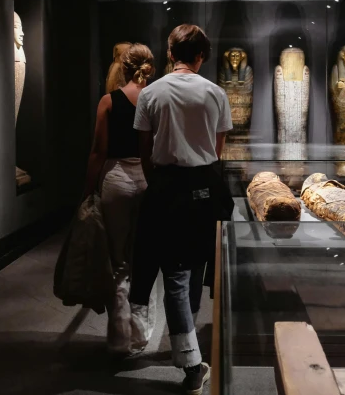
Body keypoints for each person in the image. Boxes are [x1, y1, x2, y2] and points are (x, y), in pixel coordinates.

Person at [130, 24, 234, 395]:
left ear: (171, 53)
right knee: (189, 269)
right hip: (204, 184)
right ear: (201, 55)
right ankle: (190, 360)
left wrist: (158, 183)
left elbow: (144, 151)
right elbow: (218, 149)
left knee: (178, 271)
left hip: (167, 185)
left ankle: (188, 351)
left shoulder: (151, 93)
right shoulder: (215, 92)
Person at [81, 43, 156, 356]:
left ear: (122, 68)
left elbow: (98, 151)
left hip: (115, 178)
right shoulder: (154, 99)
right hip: (147, 178)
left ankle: (118, 334)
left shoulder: (108, 101)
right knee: (145, 259)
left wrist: (88, 190)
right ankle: (140, 335)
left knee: (119, 260)